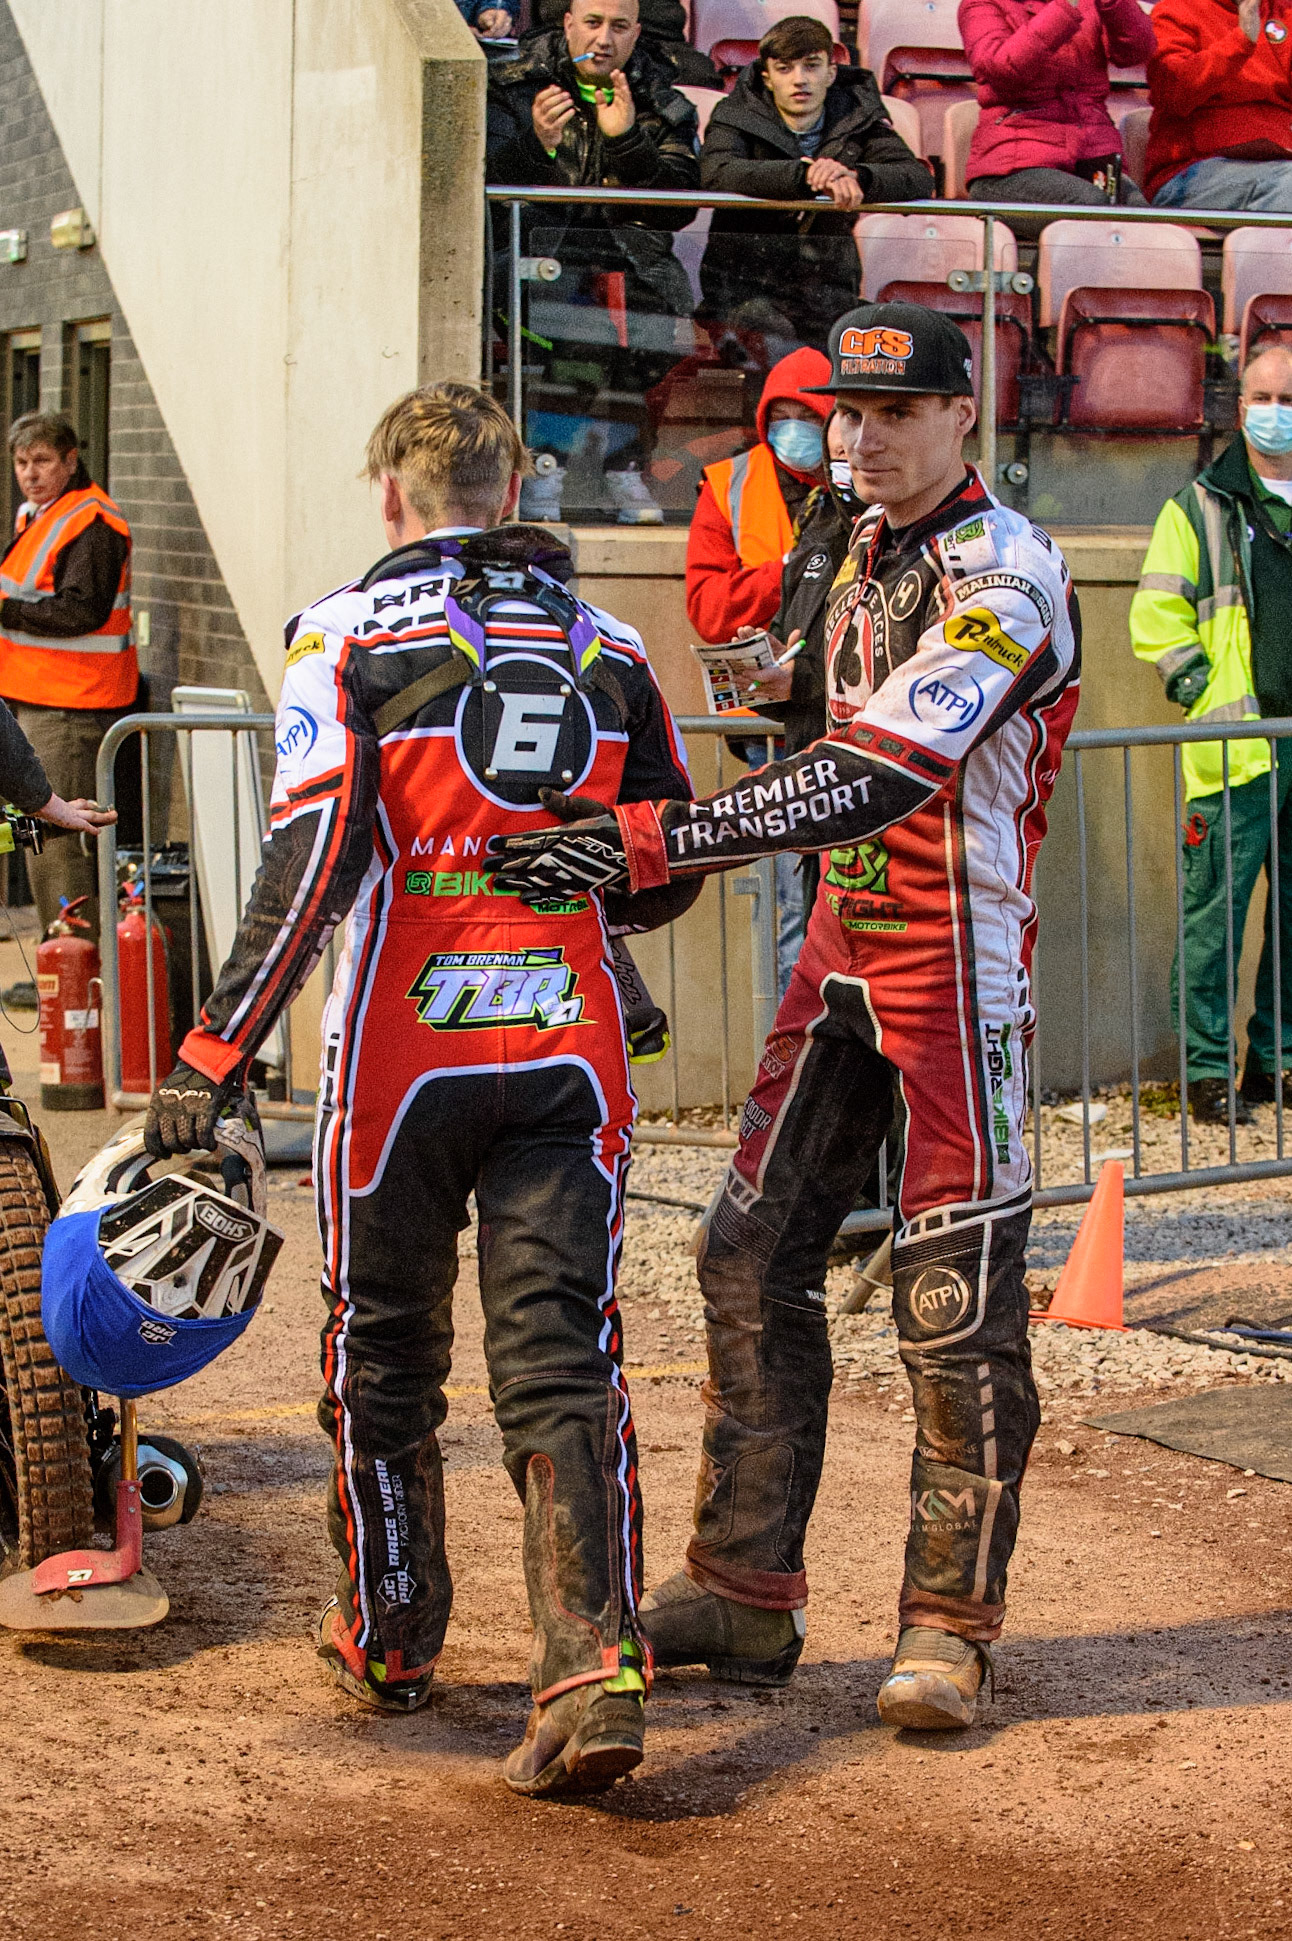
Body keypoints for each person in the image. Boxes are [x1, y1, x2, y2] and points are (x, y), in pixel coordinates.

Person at [493, 302, 1081, 1732]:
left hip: (959, 963)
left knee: (956, 1303)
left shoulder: (1008, 570)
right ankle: (746, 1588)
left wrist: (649, 838)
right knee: (749, 1255)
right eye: (849, 416)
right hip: (838, 946)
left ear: (961, 418)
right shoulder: (849, 541)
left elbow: (877, 768)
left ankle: (950, 1629)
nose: (864, 439)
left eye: (896, 415)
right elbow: (812, 708)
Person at [142, 382, 697, 1795]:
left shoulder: (344, 636)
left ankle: (392, 1632)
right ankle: (589, 1670)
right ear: (517, 482)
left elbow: (314, 861)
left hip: (403, 1053)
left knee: (383, 1352)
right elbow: (669, 866)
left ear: (390, 492)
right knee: (565, 1354)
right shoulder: (616, 646)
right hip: (567, 1048)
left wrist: (213, 1050)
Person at [1131, 345, 1292, 1122]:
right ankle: (1205, 1069)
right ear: (1239, 407)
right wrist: (1199, 689)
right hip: (1236, 747)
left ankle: (1278, 1061)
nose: (1274, 408)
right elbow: (1156, 614)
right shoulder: (1199, 505)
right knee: (1215, 921)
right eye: (1262, 394)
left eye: (1288, 395)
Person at [487, 0, 700, 522]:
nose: (604, 39)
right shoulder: (514, 85)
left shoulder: (663, 100)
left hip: (635, 265)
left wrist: (628, 142)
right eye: (593, 23)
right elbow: (483, 187)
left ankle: (561, 466)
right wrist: (536, 146)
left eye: (619, 27)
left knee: (651, 328)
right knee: (585, 332)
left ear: (636, 33)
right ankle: (596, 466)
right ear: (567, 24)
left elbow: (682, 205)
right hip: (537, 259)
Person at [698, 16, 932, 349]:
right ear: (766, 76)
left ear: (831, 73)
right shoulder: (735, 114)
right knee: (775, 339)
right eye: (784, 69)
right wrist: (803, 176)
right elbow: (716, 171)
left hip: (827, 289)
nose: (800, 80)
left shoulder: (857, 115)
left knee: (898, 339)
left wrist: (858, 177)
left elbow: (916, 178)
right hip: (742, 286)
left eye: (811, 66)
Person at [0, 413, 136, 934]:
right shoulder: (37, 514)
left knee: (58, 842)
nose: (30, 474)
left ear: (71, 460)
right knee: (38, 837)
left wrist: (5, 610)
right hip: (39, 699)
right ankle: (65, 968)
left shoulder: (92, 522)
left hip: (73, 708)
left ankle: (81, 980)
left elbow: (84, 611)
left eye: (42, 461)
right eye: (20, 463)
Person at [729, 410, 863, 928]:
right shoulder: (819, 528)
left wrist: (800, 680)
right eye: (837, 458)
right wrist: (766, 660)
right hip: (812, 791)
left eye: (852, 454)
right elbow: (793, 635)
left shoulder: (917, 541)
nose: (848, 466)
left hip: (877, 799)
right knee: (807, 947)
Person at [685, 346, 833, 645]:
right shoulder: (727, 483)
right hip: (761, 673)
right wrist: (791, 570)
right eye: (781, 417)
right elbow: (708, 613)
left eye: (808, 417)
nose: (793, 429)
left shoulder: (869, 475)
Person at [961, 0, 1155, 206]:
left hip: (1091, 158)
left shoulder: (1089, 6)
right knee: (1092, 206)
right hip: (1010, 167)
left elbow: (1137, 51)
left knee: (1141, 217)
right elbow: (1002, 69)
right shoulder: (980, 3)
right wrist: (1064, 7)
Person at [1147, 0, 1292, 211]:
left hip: (1281, 161)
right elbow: (1174, 93)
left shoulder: (1284, 11)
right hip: (1193, 170)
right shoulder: (1175, 9)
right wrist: (1241, 41)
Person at [522, 0, 721, 85]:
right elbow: (552, 8)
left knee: (700, 73)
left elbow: (669, 17)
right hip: (567, 33)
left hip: (656, 41)